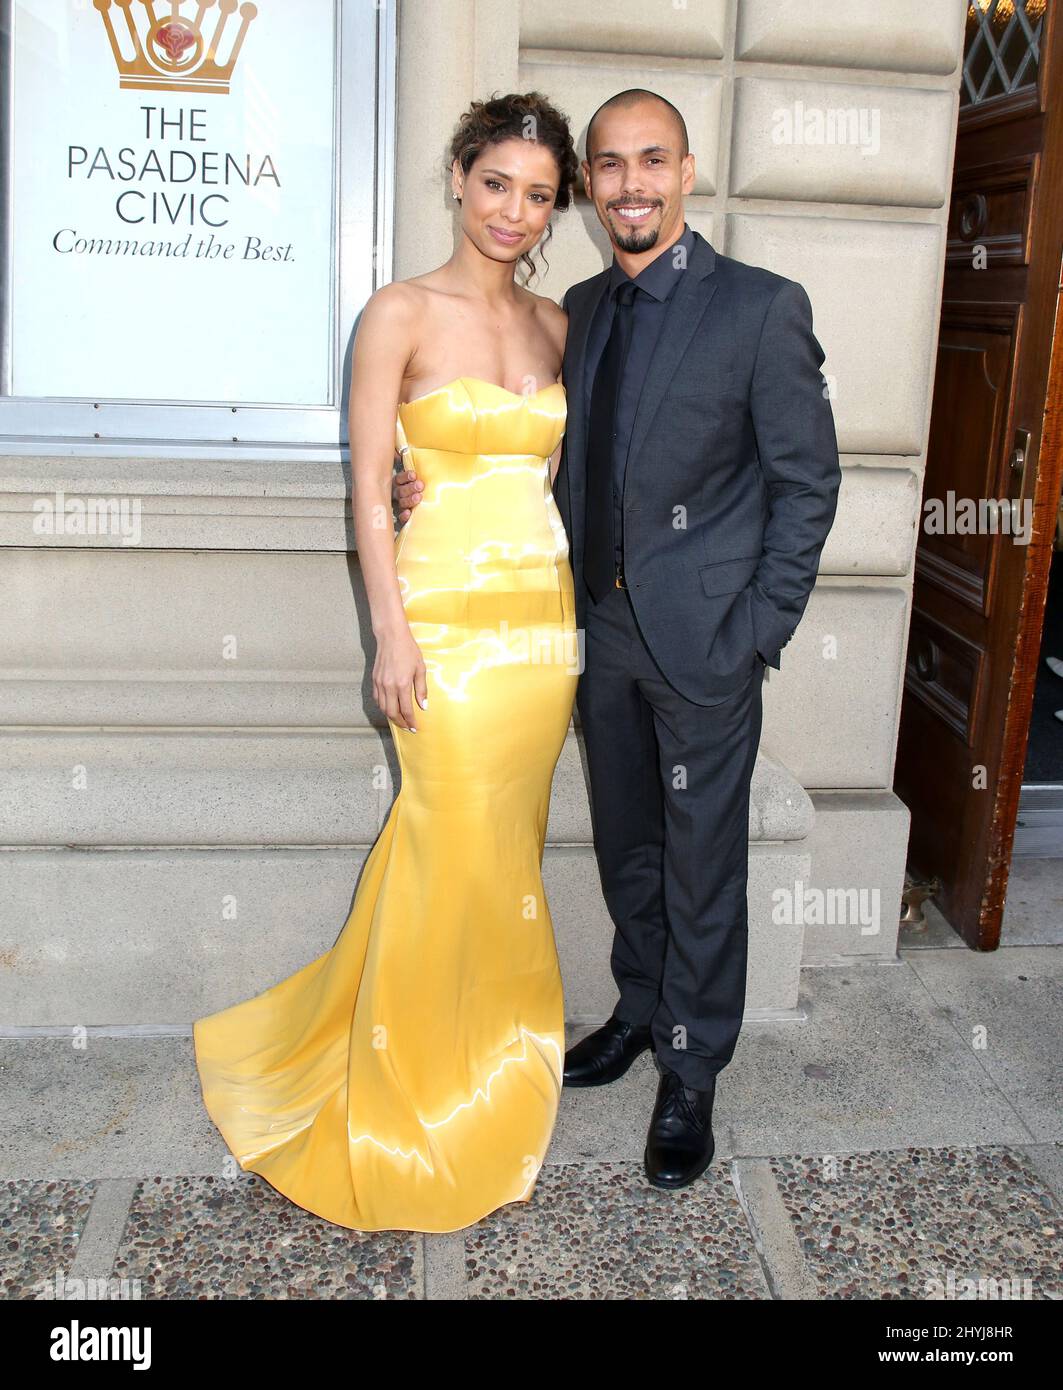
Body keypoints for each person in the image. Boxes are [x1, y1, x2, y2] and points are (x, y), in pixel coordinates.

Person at [396, 88, 842, 1191]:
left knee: (701, 863)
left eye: (653, 161)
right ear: (589, 188)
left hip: (706, 649)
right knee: (628, 845)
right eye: (609, 165)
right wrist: (432, 485)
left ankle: (690, 1069)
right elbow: (537, 453)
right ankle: (639, 1009)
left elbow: (807, 481)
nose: (631, 183)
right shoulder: (581, 309)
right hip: (592, 635)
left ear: (687, 172)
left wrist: (757, 632)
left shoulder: (758, 306)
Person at [193, 92, 581, 1233]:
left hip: (540, 637)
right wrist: (391, 631)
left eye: (539, 194)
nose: (514, 211)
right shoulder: (397, 313)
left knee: (502, 846)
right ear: (458, 174)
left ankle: (499, 1051)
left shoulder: (559, 326)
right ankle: (413, 1085)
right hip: (444, 629)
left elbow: (556, 480)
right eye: (497, 182)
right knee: (440, 838)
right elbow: (370, 487)